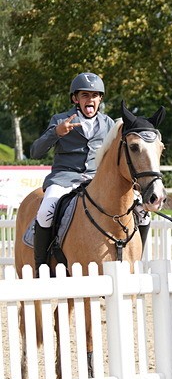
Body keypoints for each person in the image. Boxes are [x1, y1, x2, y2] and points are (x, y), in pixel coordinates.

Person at [28, 72, 116, 269]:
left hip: (95, 180)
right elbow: (35, 151)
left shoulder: (109, 123)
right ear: (75, 98)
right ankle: (41, 266)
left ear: (100, 99)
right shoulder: (59, 119)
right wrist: (56, 133)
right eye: (85, 95)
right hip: (64, 179)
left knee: (138, 210)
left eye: (94, 95)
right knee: (45, 212)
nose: (90, 100)